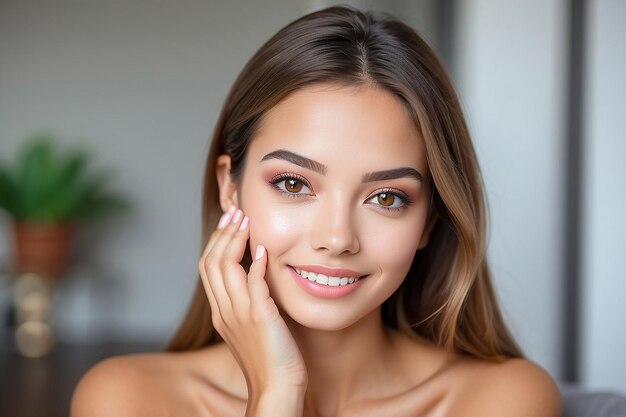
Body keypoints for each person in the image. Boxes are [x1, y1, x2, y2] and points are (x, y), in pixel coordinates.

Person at [71, 6, 562, 417]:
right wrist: (275, 396)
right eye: (293, 183)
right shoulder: (128, 398)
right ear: (230, 188)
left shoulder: (501, 399)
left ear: (430, 220)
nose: (337, 237)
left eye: (386, 197)